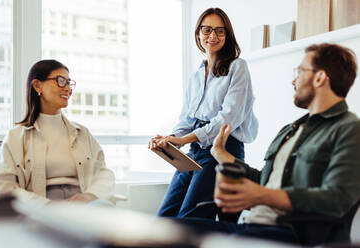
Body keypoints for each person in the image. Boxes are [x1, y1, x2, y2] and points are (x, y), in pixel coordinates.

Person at [176, 43, 360, 244]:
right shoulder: (291, 130)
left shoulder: (348, 128)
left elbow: (337, 199)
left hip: (289, 234)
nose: (293, 80)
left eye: (299, 71)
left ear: (319, 77)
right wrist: (220, 153)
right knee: (173, 228)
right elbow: (264, 180)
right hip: (252, 227)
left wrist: (263, 196)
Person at [149, 7, 258, 218]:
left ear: (228, 35)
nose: (212, 36)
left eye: (219, 31)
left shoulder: (238, 67)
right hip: (196, 149)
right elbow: (187, 119)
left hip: (224, 148)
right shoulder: (197, 75)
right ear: (198, 33)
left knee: (190, 219)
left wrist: (183, 140)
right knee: (164, 218)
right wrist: (169, 140)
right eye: (207, 29)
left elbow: (227, 119)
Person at [0, 60, 117, 206]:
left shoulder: (82, 133)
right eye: (61, 81)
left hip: (83, 206)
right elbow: (3, 186)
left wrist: (89, 196)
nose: (68, 88)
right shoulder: (15, 137)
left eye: (69, 83)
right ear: (37, 85)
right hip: (41, 208)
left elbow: (103, 173)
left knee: (104, 208)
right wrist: (46, 205)